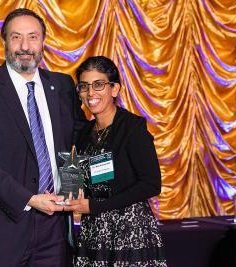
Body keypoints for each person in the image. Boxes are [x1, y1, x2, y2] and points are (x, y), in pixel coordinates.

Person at [0, 8, 84, 267]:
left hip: (55, 231)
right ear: (4, 42)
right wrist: (29, 199)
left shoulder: (62, 86)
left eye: (33, 37)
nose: (25, 46)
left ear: (43, 42)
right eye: (16, 37)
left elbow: (73, 145)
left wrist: (72, 191)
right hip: (4, 229)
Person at [64, 56, 167, 266]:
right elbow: (88, 180)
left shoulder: (132, 128)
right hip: (93, 231)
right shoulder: (84, 133)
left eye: (98, 84)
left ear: (114, 89)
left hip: (129, 232)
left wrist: (95, 206)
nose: (91, 93)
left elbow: (151, 184)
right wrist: (71, 192)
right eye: (84, 86)